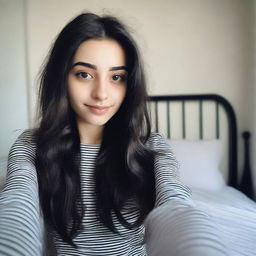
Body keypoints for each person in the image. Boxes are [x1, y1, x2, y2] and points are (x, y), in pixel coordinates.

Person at [0, 13, 227, 256]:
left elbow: (176, 205)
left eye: (116, 77)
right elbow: (17, 205)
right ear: (61, 77)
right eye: (84, 74)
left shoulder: (150, 146)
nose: (102, 94)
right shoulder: (32, 145)